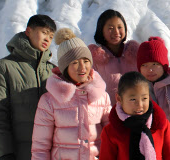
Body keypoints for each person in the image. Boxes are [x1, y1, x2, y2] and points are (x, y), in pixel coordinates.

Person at [31, 28, 112, 159]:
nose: (82, 67)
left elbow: (113, 137)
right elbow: (40, 146)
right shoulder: (49, 101)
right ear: (64, 67)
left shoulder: (102, 96)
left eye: (85, 61)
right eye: (74, 62)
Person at [0, 14, 57, 160]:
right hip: (20, 153)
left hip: (52, 153)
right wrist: (5, 153)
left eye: (51, 36)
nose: (47, 39)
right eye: (44, 32)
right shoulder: (3, 67)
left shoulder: (54, 71)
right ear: (28, 31)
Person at [99, 71, 170, 160]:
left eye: (144, 98)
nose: (140, 105)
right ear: (119, 98)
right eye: (133, 99)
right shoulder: (111, 132)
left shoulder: (161, 125)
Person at [89, 9, 140, 105]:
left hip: (135, 111)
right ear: (101, 30)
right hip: (107, 113)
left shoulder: (135, 54)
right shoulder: (95, 58)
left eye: (120, 27)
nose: (116, 32)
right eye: (110, 28)